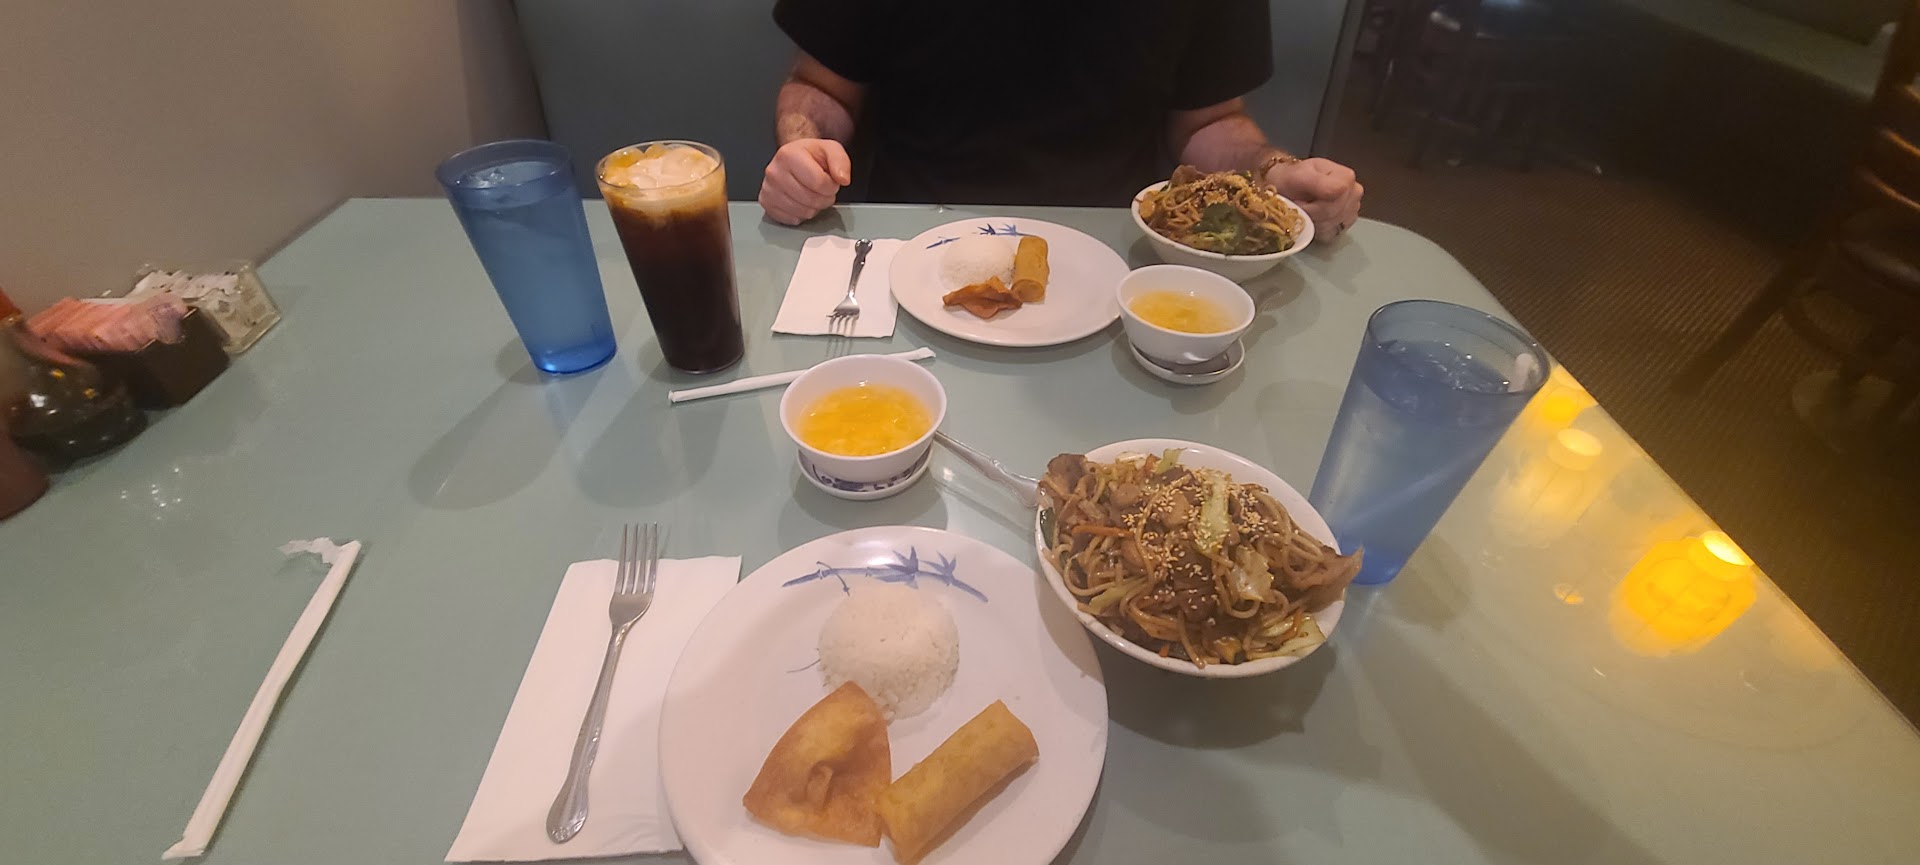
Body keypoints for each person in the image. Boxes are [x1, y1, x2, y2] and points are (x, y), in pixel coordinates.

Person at [758, 0, 1364, 237]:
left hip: (1117, 244)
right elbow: (819, 88)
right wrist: (802, 150)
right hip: (911, 234)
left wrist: (1274, 173)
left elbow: (1208, 123)